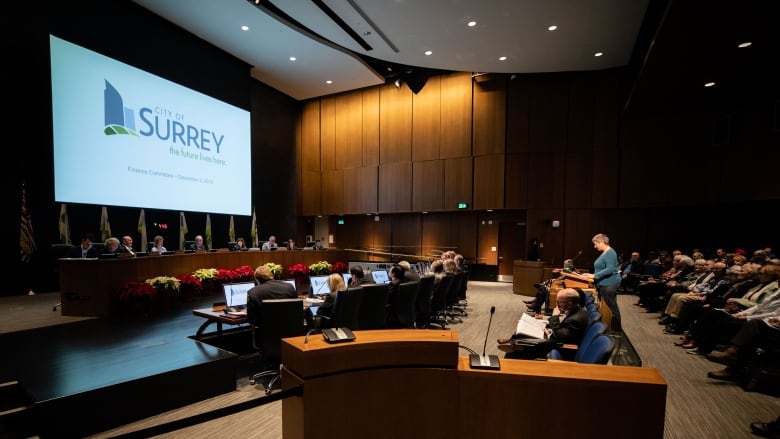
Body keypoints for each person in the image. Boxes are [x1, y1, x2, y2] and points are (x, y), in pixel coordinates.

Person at [498, 288, 590, 360]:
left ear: (569, 304)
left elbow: (560, 336)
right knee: (522, 332)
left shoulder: (576, 319)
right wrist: (550, 329)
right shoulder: (575, 310)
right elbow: (565, 329)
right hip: (554, 337)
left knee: (518, 349)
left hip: (559, 346)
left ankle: (510, 365)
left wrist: (554, 318)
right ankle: (513, 342)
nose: (557, 305)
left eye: (559, 303)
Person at [582, 233, 622, 332]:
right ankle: (607, 328)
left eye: (596, 244)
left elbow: (611, 269)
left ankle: (616, 330)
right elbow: (602, 268)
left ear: (601, 242)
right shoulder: (605, 252)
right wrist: (591, 275)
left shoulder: (611, 252)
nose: (595, 246)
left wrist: (595, 275)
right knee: (607, 307)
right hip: (605, 284)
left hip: (610, 284)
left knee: (611, 307)